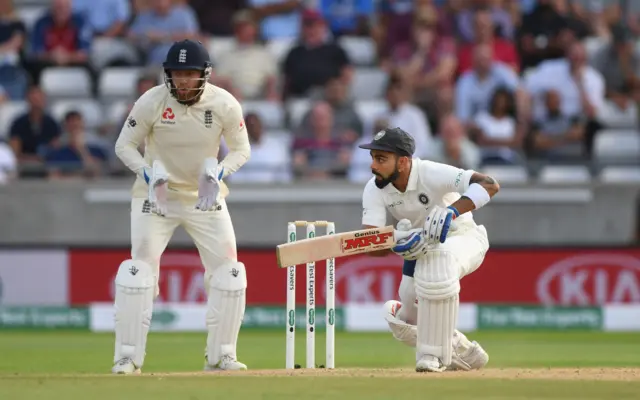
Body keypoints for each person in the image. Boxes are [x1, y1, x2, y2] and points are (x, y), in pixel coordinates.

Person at [112, 39, 251, 374]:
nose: (183, 81)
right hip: (156, 198)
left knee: (230, 273)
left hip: (205, 197)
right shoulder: (152, 101)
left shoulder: (224, 104)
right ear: (168, 75)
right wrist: (147, 173)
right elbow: (124, 145)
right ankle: (127, 358)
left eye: (190, 74)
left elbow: (241, 150)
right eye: (177, 74)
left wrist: (218, 172)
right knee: (138, 274)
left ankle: (221, 356)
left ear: (204, 74)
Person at [358, 127, 499, 372]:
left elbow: (490, 184)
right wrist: (397, 241)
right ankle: (463, 350)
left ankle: (432, 356)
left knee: (438, 261)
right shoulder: (374, 188)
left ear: (403, 162)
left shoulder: (430, 172)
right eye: (373, 158)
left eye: (381, 159)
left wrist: (451, 211)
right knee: (405, 322)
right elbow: (371, 243)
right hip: (419, 250)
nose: (373, 165)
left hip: (463, 238)